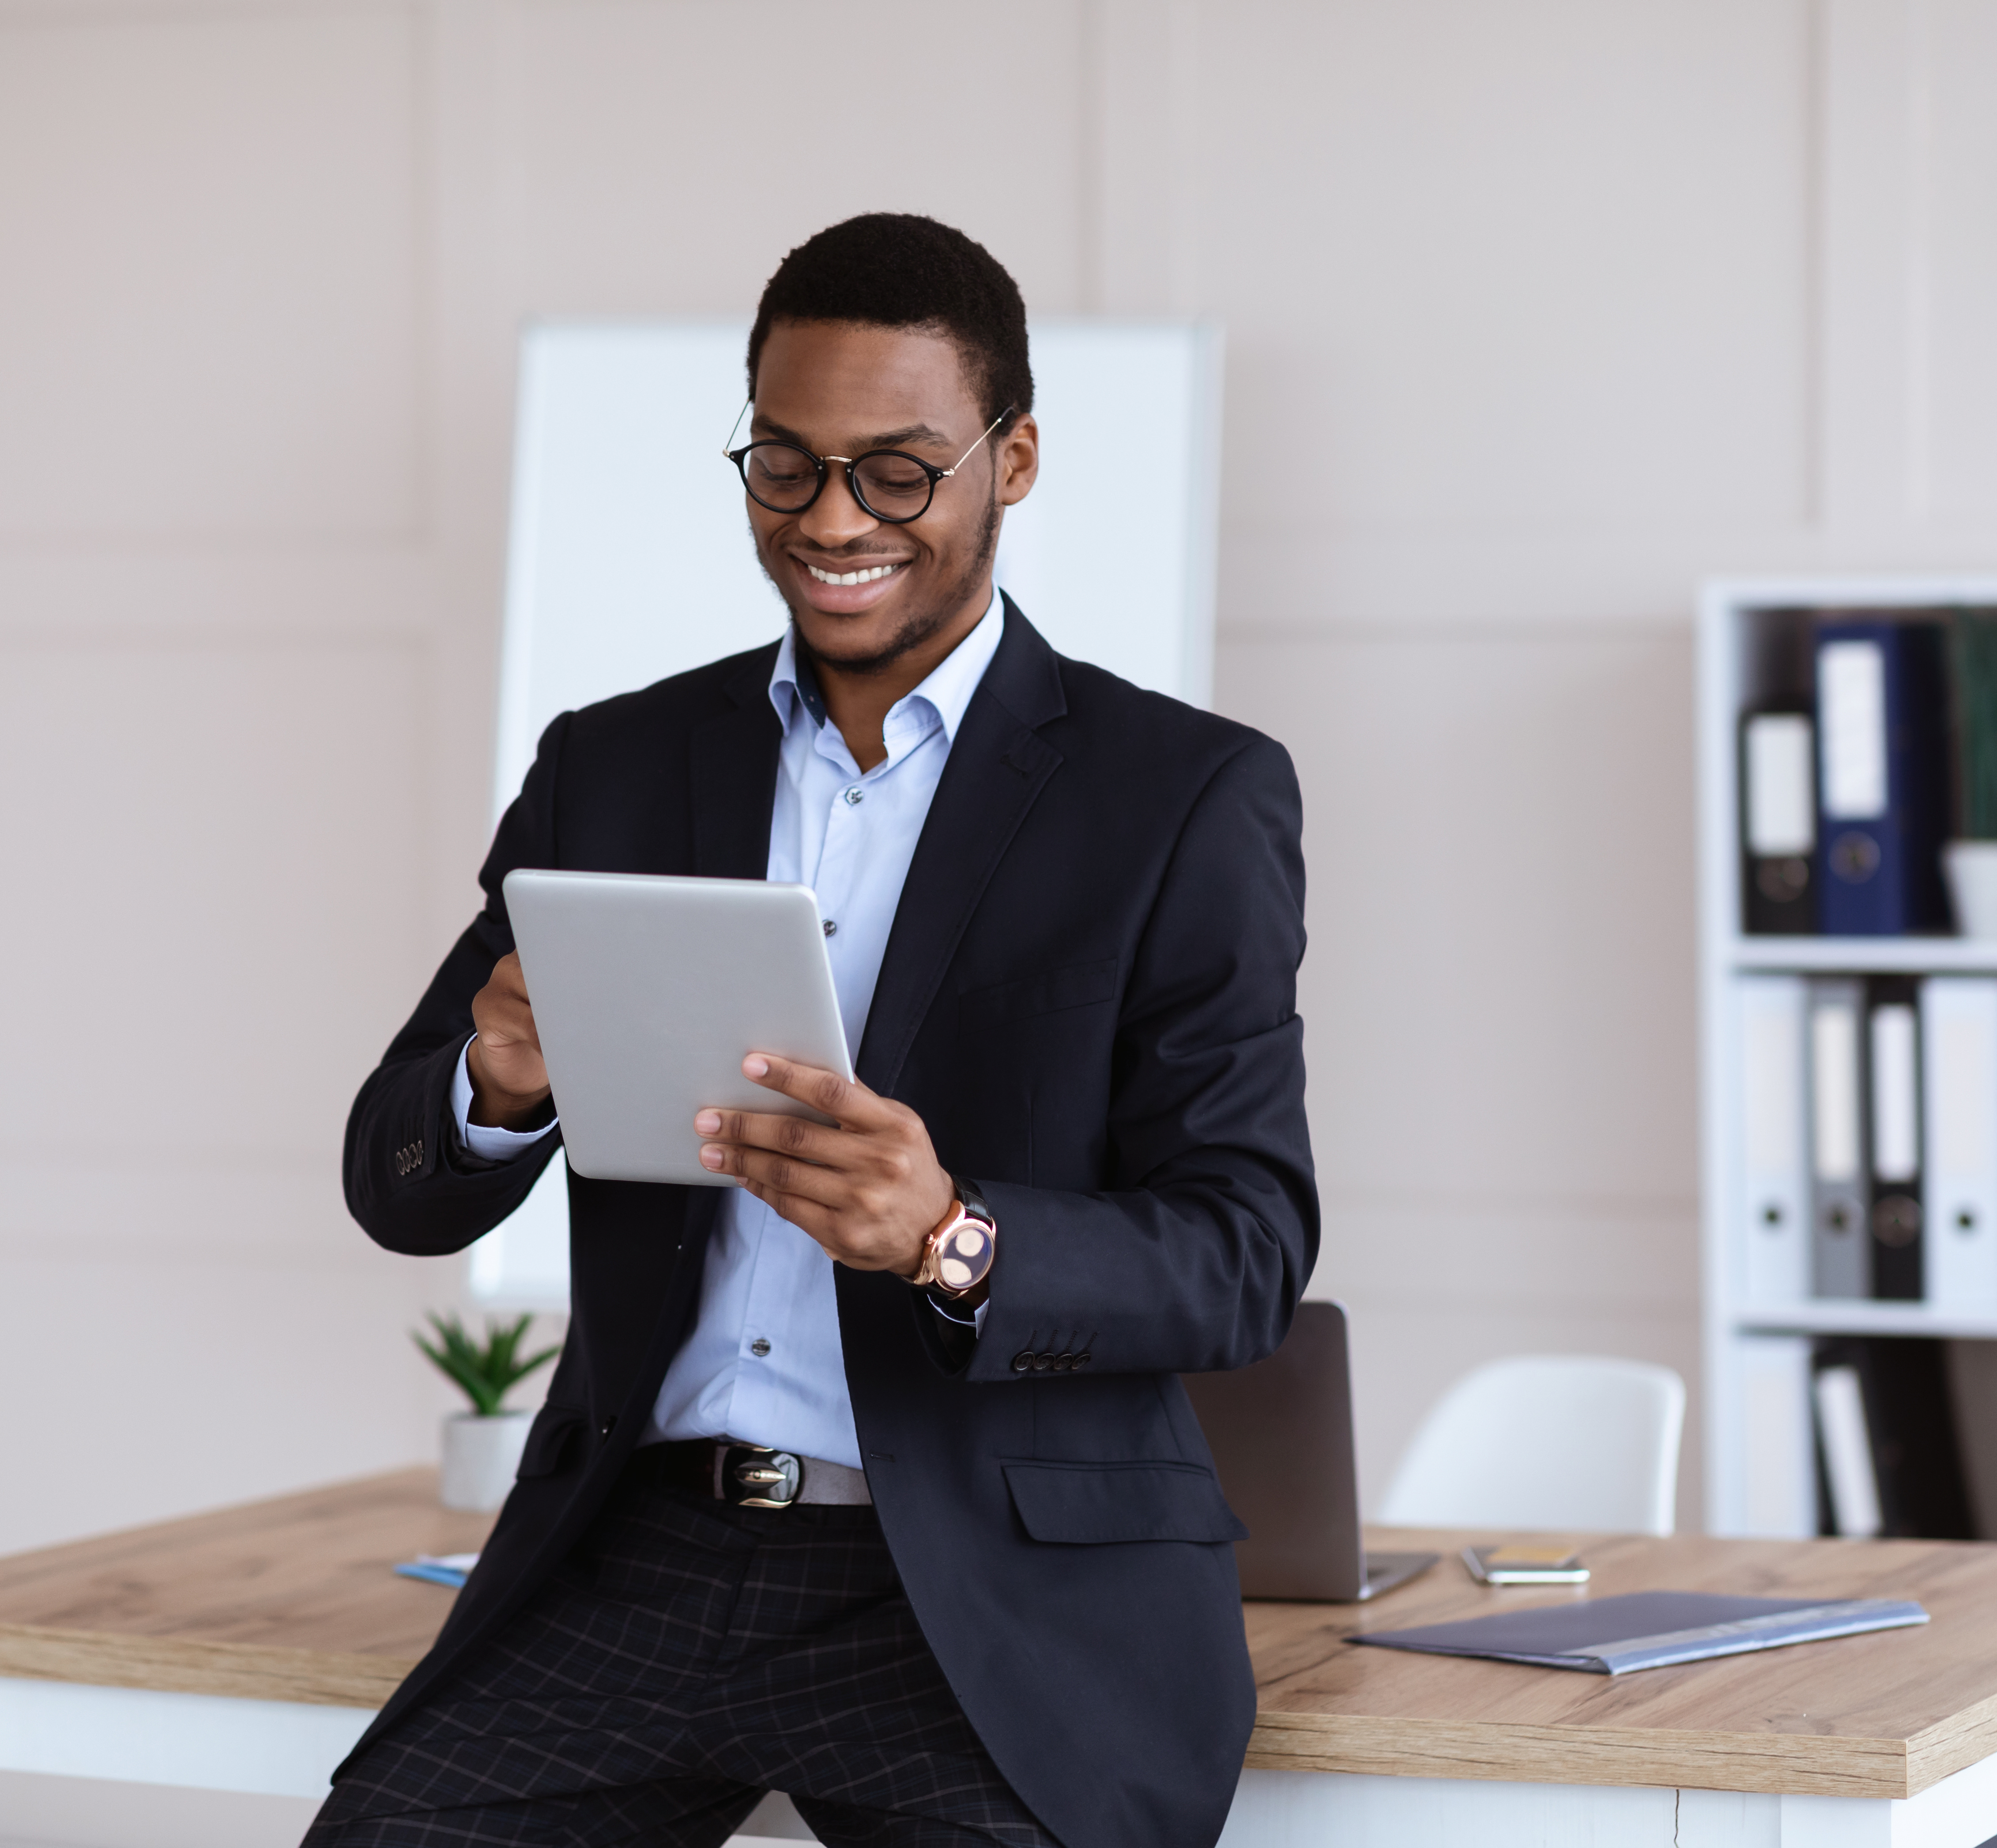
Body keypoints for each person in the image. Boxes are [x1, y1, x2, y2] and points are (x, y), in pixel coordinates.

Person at [308, 213, 1315, 1848]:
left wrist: (953, 1234)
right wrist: (495, 1078)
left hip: (981, 1602)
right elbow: (397, 1181)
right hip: (631, 1555)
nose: (834, 520)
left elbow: (1244, 1248)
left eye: (899, 471)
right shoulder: (611, 766)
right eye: (785, 467)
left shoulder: (1183, 798)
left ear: (1018, 459)